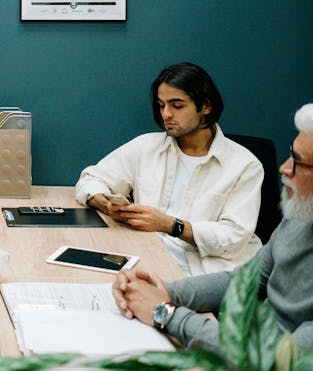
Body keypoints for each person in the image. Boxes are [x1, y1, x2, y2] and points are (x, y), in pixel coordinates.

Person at [113, 102, 313, 368]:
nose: (284, 169)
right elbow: (244, 281)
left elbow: (284, 362)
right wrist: (166, 292)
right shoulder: (306, 217)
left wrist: (165, 313)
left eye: (299, 161)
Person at [74, 62, 262, 275]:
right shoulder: (146, 147)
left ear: (206, 106)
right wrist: (106, 204)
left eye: (177, 105)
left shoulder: (245, 164)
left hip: (209, 272)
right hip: (147, 257)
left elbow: (234, 237)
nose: (166, 114)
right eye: (161, 105)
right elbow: (90, 179)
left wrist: (172, 226)